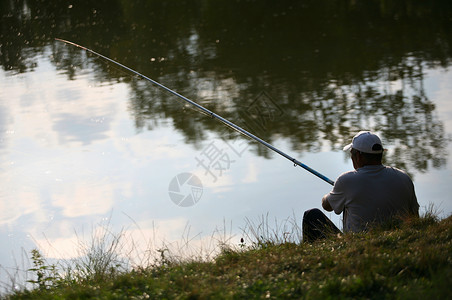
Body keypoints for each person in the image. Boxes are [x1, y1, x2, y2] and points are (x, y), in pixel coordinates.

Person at [302, 131, 419, 242]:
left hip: (357, 244)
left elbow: (327, 206)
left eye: (351, 154)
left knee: (311, 215)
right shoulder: (403, 177)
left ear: (358, 156)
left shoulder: (346, 181)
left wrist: (329, 195)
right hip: (398, 240)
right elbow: (415, 216)